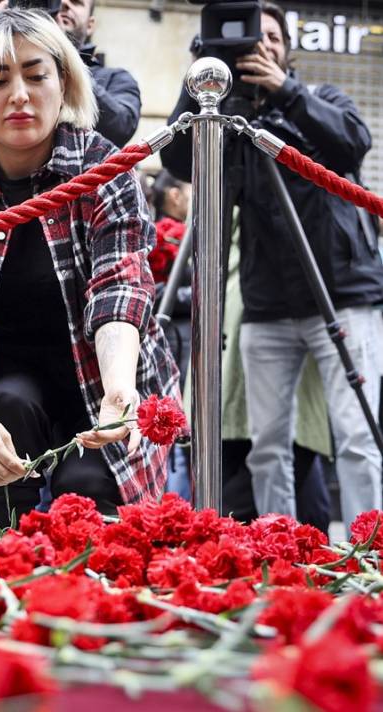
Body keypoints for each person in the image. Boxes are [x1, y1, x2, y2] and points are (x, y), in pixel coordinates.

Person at [0, 8, 180, 528]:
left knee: (91, 498)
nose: (19, 94)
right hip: (8, 391)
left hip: (105, 379)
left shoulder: (106, 169)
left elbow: (120, 287)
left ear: (65, 84)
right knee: (0, 438)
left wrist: (120, 393)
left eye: (36, 76)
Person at [161, 1, 383, 529]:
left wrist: (286, 92)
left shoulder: (319, 97)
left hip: (343, 293)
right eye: (248, 38)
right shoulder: (231, 121)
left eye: (272, 38)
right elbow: (175, 160)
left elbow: (354, 141)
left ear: (286, 48)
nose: (260, 46)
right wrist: (201, 79)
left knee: (355, 437)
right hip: (267, 303)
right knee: (267, 446)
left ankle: (371, 554)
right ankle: (279, 551)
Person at [1, 0, 141, 146]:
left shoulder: (116, 78)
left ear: (90, 25)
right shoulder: (6, 66)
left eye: (76, 2)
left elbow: (121, 128)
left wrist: (63, 52)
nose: (63, 3)